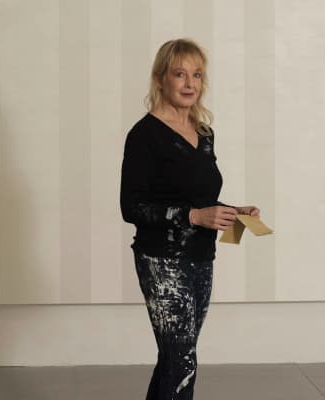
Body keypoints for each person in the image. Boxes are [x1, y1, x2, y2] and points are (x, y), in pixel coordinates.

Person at [119, 38, 260, 399]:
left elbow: (198, 199)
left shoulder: (204, 133)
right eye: (179, 74)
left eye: (196, 75)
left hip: (201, 257)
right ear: (160, 78)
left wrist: (233, 212)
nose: (189, 83)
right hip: (161, 260)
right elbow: (131, 207)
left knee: (175, 359)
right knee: (182, 362)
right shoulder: (144, 135)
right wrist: (194, 215)